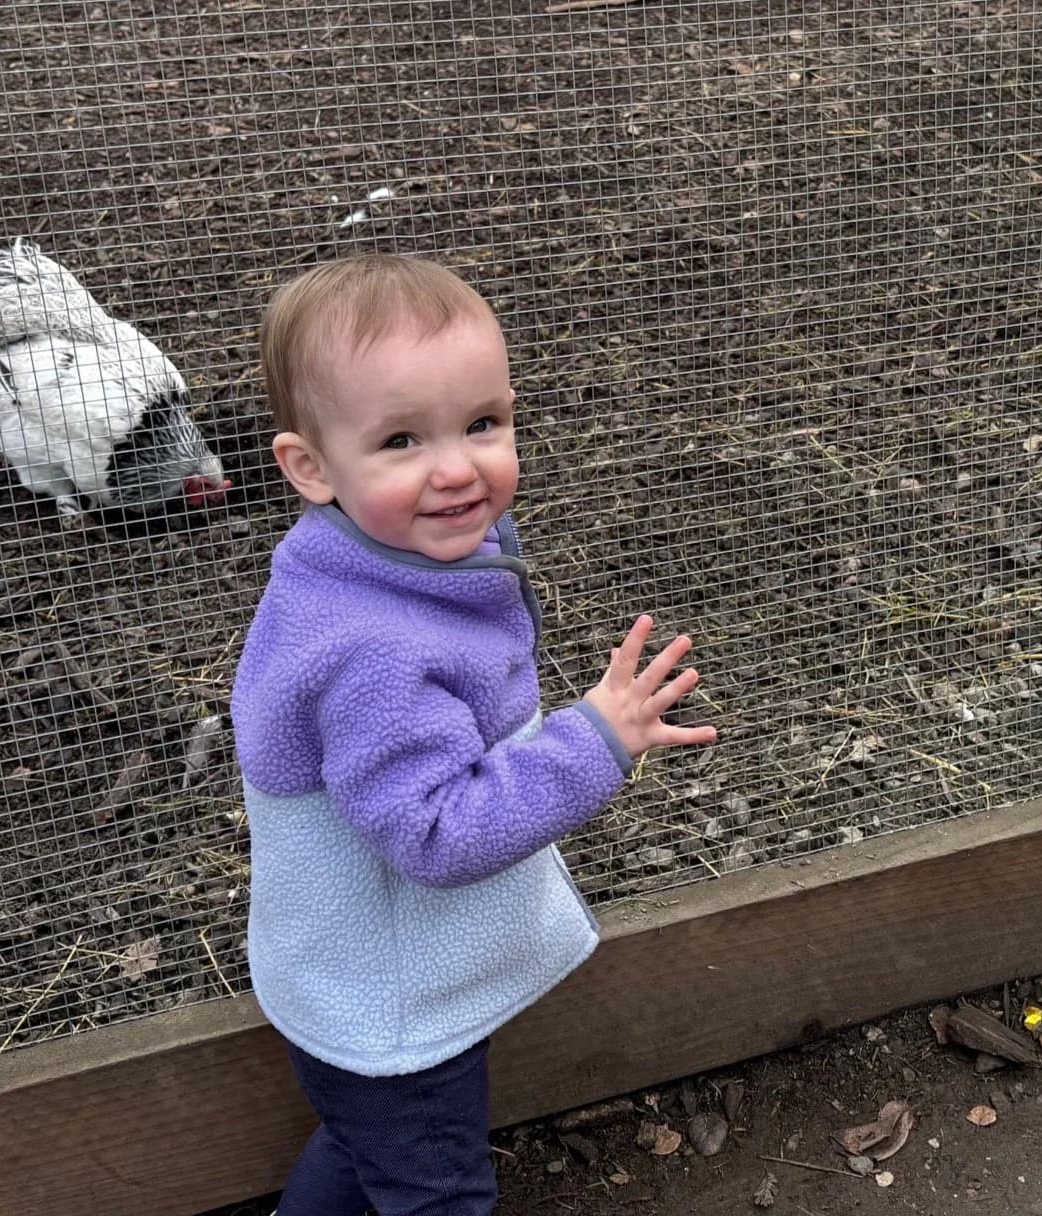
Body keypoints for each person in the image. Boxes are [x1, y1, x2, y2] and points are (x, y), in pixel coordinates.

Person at [231, 253, 717, 1214]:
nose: (457, 468)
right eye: (402, 439)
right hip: (392, 1004)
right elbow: (437, 834)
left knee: (368, 1151)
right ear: (310, 467)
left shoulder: (369, 559)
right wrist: (593, 740)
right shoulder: (373, 650)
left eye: (483, 424)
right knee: (435, 1190)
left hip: (358, 982)